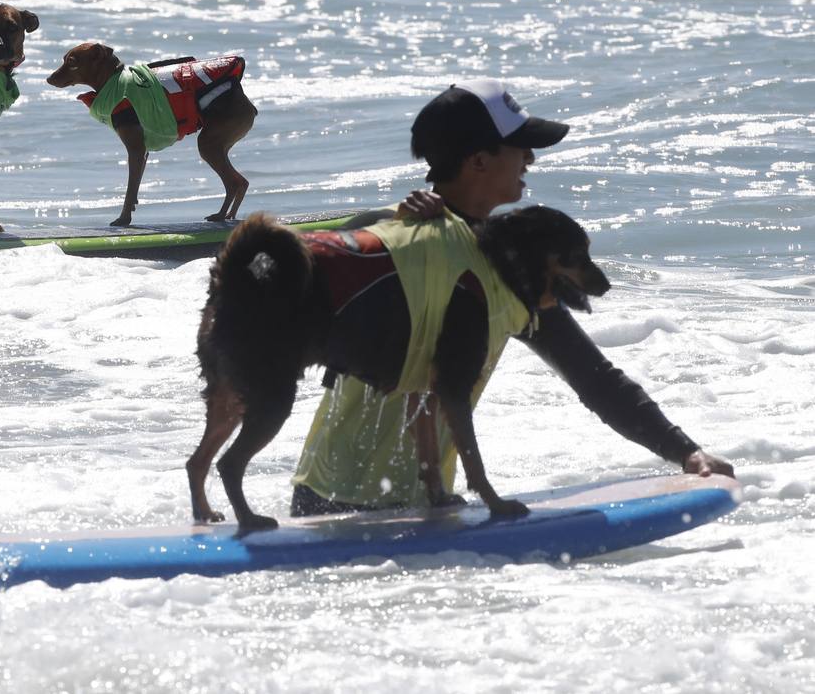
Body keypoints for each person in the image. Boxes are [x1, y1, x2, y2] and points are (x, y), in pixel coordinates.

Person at [290, 79, 735, 516]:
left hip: (423, 508)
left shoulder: (508, 272)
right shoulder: (386, 235)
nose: (531, 159)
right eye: (519, 148)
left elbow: (594, 377)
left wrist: (686, 452)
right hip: (329, 504)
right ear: (479, 161)